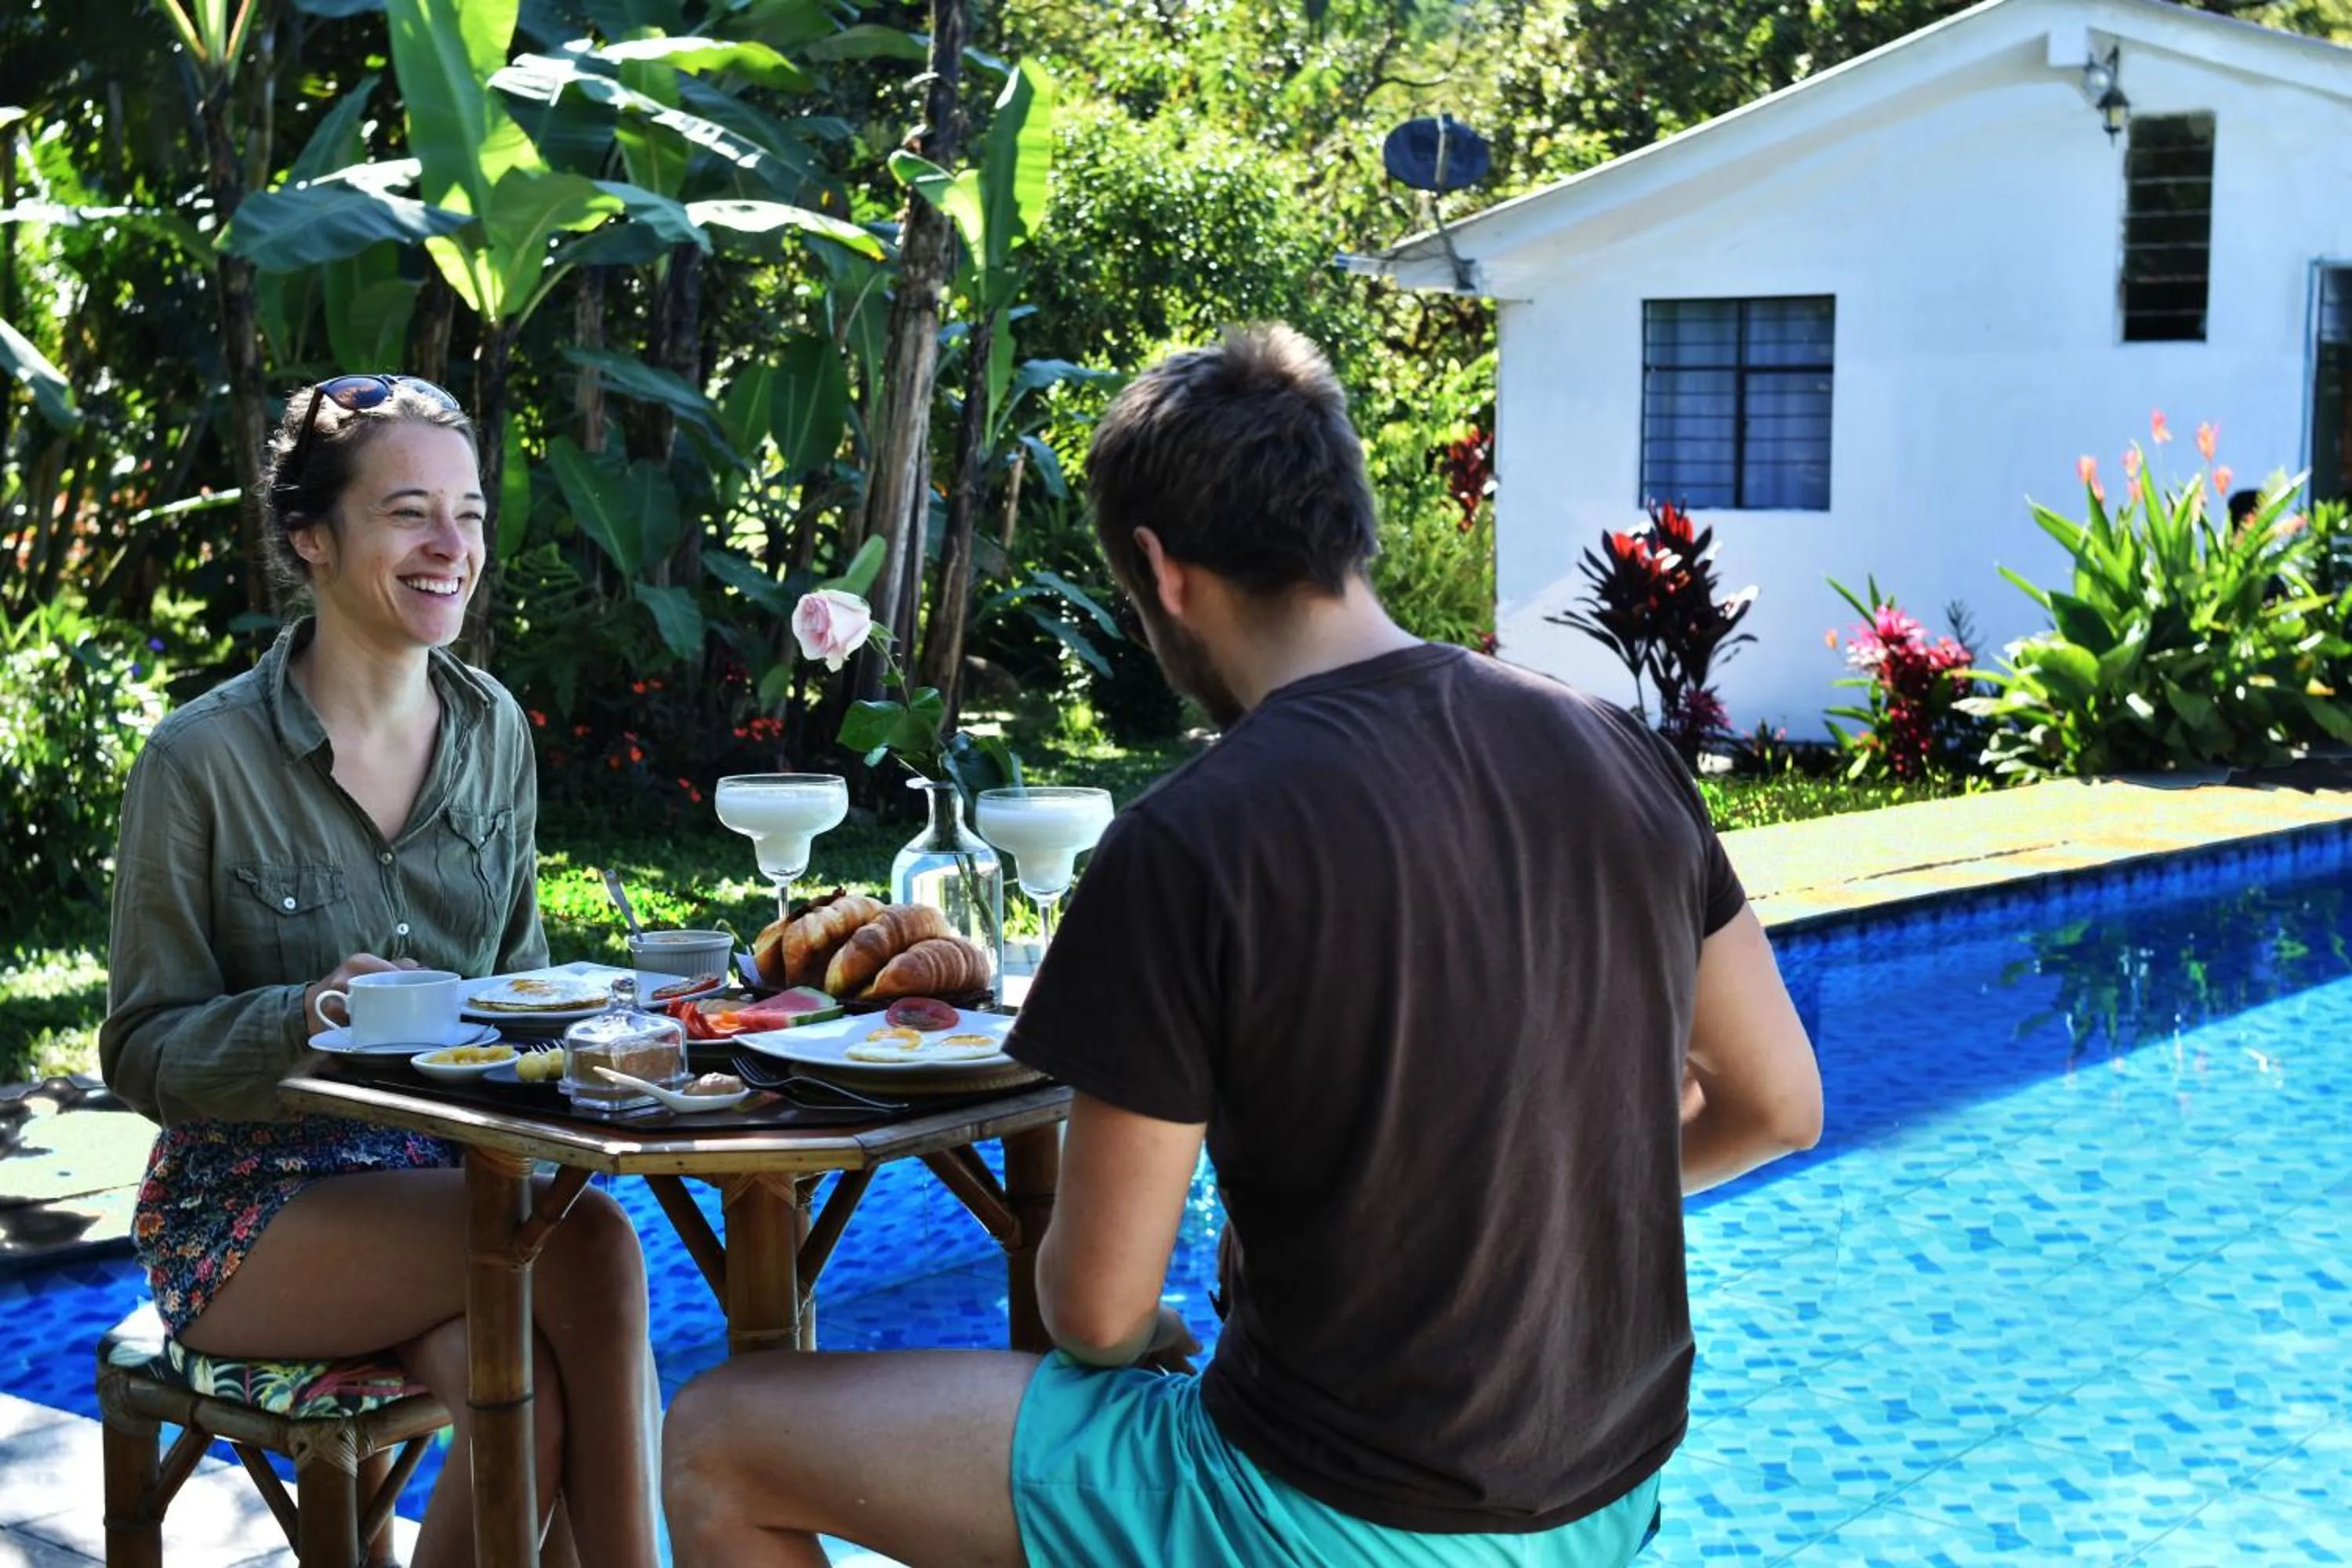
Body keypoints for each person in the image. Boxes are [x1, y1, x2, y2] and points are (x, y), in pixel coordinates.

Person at [660, 326, 1824, 1566]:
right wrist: (1537, 1220)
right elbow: (1779, 1107)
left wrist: (1155, 1310)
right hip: (1607, 1502)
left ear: (1162, 572)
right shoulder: (1616, 751)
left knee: (726, 1438)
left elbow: (1098, 1315)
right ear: (1349, 524)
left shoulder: (1194, 838)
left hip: (1331, 1521)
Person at [100, 375, 659, 1566]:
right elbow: (143, 1051)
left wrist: (603, 1038)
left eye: (467, 512)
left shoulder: (494, 729)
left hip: (445, 1188)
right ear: (312, 536)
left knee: (530, 1399)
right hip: (252, 1216)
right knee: (595, 1246)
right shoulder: (200, 761)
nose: (451, 547)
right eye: (409, 512)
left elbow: (521, 985)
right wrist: (299, 1017)